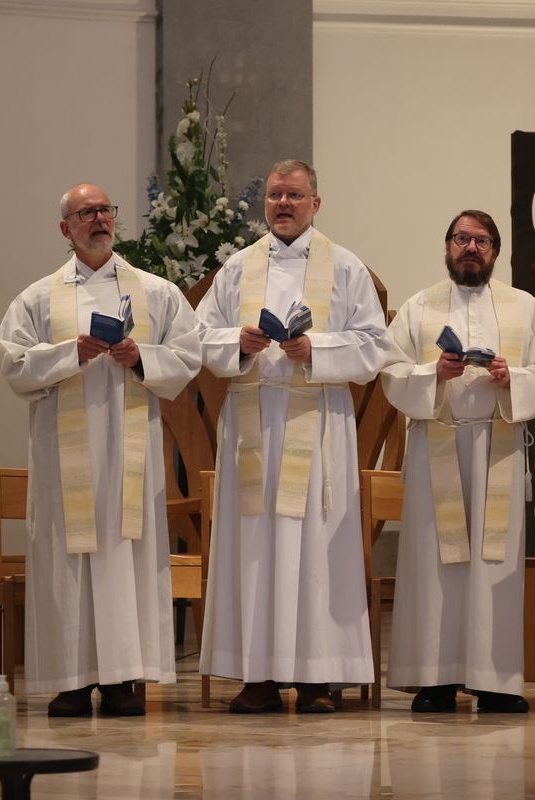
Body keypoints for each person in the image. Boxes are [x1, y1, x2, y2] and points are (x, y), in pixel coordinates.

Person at [0, 183, 201, 717]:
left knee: (126, 556)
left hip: (129, 454)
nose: (97, 219)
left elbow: (188, 356)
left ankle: (122, 679)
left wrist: (139, 357)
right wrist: (71, 353)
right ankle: (70, 680)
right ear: (65, 228)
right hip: (63, 458)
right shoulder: (38, 298)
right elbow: (14, 366)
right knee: (67, 559)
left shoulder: (156, 292)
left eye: (104, 210)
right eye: (84, 213)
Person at [196, 159, 387, 713]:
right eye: (275, 195)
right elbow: (198, 337)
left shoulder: (346, 268)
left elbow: (374, 347)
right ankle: (255, 674)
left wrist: (316, 350)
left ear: (315, 203)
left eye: (294, 196)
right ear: (265, 203)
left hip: (319, 419)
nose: (283, 204)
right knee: (254, 548)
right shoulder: (235, 268)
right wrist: (240, 342)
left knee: (315, 548)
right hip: (253, 424)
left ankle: (316, 677)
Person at [380, 209, 535, 713]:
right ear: (447, 246)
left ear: (495, 252)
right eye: (462, 238)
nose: (470, 248)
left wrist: (515, 377)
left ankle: (495, 679)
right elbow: (391, 372)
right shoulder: (419, 307)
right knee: (434, 562)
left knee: (493, 563)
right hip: (436, 444)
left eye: (481, 241)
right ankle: (433, 679)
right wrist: (432, 372)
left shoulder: (523, 308)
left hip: (496, 445)